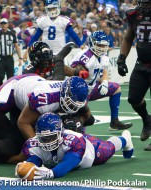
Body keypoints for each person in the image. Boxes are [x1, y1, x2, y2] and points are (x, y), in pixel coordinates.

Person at [15, 113, 134, 179]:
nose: (47, 141)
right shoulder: (33, 143)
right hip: (72, 151)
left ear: (60, 133)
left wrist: (52, 173)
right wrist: (25, 167)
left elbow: (70, 162)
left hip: (89, 150)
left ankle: (125, 139)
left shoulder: (73, 141)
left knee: (109, 148)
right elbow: (34, 160)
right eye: (43, 138)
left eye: (51, 137)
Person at [70, 31, 133, 131]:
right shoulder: (85, 57)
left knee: (116, 88)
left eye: (104, 46)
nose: (102, 48)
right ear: (92, 43)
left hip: (92, 88)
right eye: (99, 45)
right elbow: (73, 73)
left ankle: (114, 122)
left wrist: (104, 82)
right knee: (82, 125)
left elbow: (103, 71)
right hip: (80, 92)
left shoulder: (102, 57)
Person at [116, 0, 151, 151]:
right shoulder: (134, 14)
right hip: (142, 63)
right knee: (134, 99)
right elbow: (129, 37)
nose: (146, 5)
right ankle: (147, 120)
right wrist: (121, 58)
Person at [0, 18, 23, 88]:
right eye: (2, 24)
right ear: (0, 25)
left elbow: (16, 46)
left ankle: (9, 92)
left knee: (10, 78)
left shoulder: (12, 34)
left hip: (9, 58)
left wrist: (20, 58)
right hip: (1, 58)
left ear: (7, 24)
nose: (4, 25)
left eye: (5, 24)